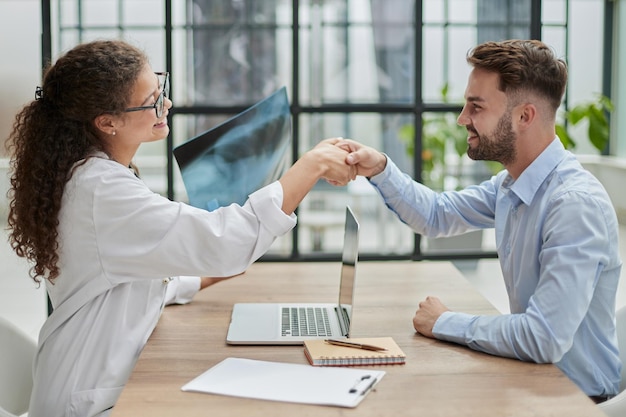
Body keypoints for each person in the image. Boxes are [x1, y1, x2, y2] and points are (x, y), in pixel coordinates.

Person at [5, 39, 354, 416]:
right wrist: (312, 165)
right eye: (152, 100)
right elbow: (224, 243)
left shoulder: (91, 174)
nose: (165, 105)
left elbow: (125, 277)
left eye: (162, 90)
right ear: (107, 122)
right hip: (88, 401)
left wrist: (203, 278)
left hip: (94, 378)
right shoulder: (101, 190)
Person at [336, 39, 622, 401]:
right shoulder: (512, 184)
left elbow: (543, 337)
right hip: (533, 380)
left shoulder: (573, 205)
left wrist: (445, 322)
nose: (462, 118)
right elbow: (437, 215)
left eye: (476, 106)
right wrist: (378, 167)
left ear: (524, 116)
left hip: (575, 400)